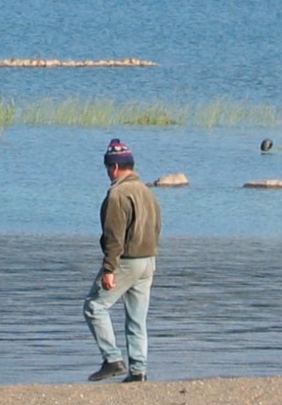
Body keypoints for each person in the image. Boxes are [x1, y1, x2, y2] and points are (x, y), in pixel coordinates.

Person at [82, 138, 162, 383]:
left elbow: (114, 236)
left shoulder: (118, 194)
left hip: (126, 261)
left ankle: (112, 359)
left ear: (114, 168)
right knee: (136, 318)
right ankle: (138, 371)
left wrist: (109, 269)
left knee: (94, 307)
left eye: (108, 167)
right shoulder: (147, 192)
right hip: (148, 260)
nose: (108, 172)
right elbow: (157, 226)